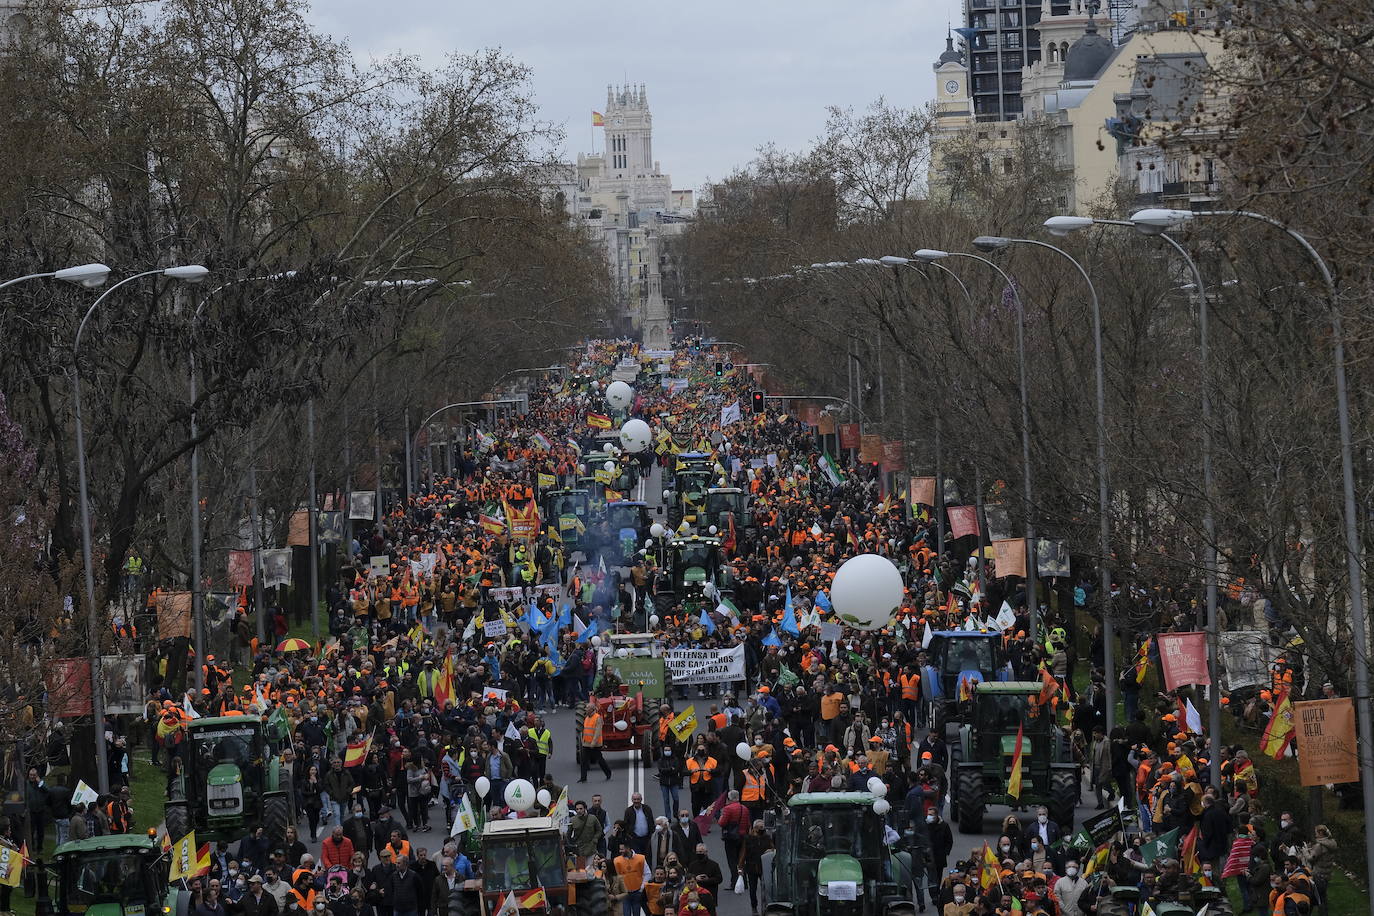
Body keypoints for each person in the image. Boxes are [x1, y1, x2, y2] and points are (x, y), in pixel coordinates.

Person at [613, 842, 649, 916]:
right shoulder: (617, 861)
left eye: (622, 849)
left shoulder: (641, 858)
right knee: (626, 913)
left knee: (637, 913)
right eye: (620, 849)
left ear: (628, 848)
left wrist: (641, 888)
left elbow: (648, 873)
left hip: (637, 892)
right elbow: (615, 877)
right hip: (625, 894)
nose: (620, 851)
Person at [580, 705, 613, 782]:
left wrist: (593, 743)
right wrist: (583, 742)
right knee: (584, 761)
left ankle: (608, 773)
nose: (586, 709)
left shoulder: (597, 718)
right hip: (586, 744)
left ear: (592, 710)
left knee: (599, 760)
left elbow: (597, 732)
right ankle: (583, 778)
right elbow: (585, 731)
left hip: (594, 744)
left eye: (587, 708)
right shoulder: (587, 718)